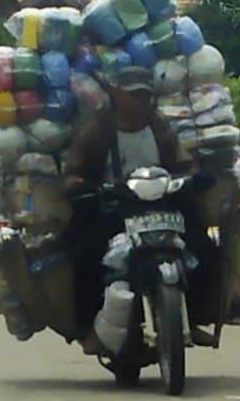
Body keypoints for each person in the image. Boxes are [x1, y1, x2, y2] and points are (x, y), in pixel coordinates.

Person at [61, 68, 193, 347]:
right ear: (117, 94)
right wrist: (82, 184)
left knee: (202, 248)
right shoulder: (98, 128)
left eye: (144, 96)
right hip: (113, 208)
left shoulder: (160, 127)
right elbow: (74, 169)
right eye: (133, 95)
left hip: (161, 206)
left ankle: (195, 316)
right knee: (84, 254)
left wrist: (193, 176)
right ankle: (87, 328)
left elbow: (182, 162)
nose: (139, 102)